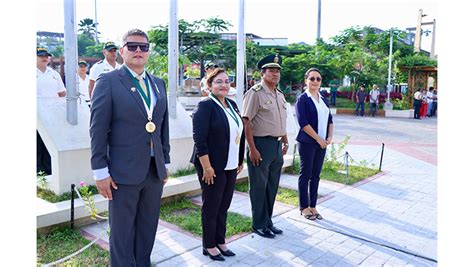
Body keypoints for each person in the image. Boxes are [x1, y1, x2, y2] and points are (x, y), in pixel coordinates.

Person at [89, 29, 170, 267]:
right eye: (132, 46)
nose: (138, 51)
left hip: (154, 172)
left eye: (143, 47)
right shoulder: (109, 81)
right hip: (122, 174)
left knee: (147, 229)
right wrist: (100, 171)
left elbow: (162, 125)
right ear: (122, 50)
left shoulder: (158, 83)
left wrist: (164, 161)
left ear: (148, 52)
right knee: (122, 235)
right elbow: (97, 129)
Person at [191, 68, 245, 261]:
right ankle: (209, 245)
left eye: (227, 81)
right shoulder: (205, 106)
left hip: (229, 164)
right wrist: (207, 167)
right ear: (209, 85)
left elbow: (240, 132)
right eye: (218, 82)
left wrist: (239, 159)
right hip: (211, 165)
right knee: (212, 206)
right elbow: (199, 139)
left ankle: (220, 241)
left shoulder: (231, 104)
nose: (224, 85)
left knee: (224, 205)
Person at [242, 54, 288, 239]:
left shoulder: (279, 94)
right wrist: (252, 149)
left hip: (276, 146)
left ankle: (268, 221)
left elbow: (279, 120)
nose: (275, 73)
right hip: (260, 145)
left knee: (272, 186)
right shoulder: (255, 93)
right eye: (271, 70)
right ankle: (259, 224)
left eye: (277, 70)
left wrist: (284, 139)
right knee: (259, 187)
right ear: (262, 73)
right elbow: (246, 121)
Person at [295, 68, 333, 220]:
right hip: (308, 143)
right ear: (306, 81)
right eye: (312, 79)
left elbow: (330, 119)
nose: (315, 81)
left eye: (318, 79)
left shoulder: (323, 98)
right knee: (306, 174)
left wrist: (329, 137)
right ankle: (304, 207)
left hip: (322, 143)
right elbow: (303, 123)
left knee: (316, 175)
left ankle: (313, 206)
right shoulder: (302, 99)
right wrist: (319, 139)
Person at [36, 46, 66, 175]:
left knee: (51, 144)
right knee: (37, 145)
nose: (44, 58)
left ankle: (49, 171)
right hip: (36, 116)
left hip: (53, 115)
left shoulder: (54, 74)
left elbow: (62, 93)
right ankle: (38, 172)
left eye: (46, 56)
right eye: (41, 55)